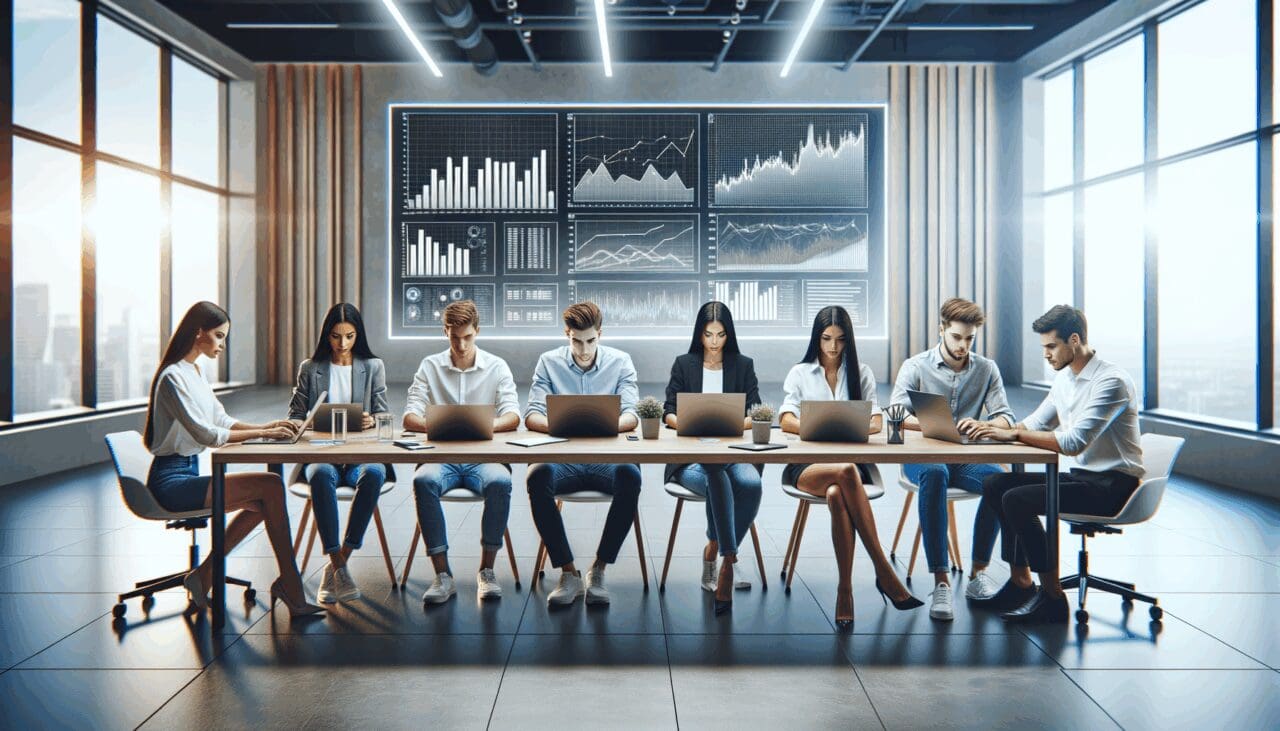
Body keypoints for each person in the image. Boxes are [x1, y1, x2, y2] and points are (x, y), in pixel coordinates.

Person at [144, 301, 323, 617]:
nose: (222, 345)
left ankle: (203, 576)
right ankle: (290, 587)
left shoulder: (194, 372)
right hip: (170, 482)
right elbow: (207, 435)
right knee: (269, 486)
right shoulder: (173, 377)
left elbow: (222, 420)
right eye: (219, 336)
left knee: (266, 499)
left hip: (187, 471)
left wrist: (269, 428)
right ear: (199, 332)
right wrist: (260, 434)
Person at [969, 305, 1144, 624]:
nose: (1046, 355)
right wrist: (989, 428)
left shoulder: (1111, 381)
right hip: (1082, 478)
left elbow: (1073, 441)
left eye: (1051, 346)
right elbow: (1034, 423)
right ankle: (1021, 583)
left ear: (1074, 340)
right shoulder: (1065, 380)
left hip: (1115, 487)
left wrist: (1013, 435)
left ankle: (1052, 598)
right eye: (1044, 348)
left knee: (1016, 499)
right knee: (996, 484)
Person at [780, 305, 922, 627]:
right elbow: (786, 420)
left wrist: (843, 426)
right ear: (817, 338)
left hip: (849, 472)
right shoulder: (800, 372)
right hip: (807, 468)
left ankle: (845, 590)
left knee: (836, 493)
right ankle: (883, 571)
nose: (832, 347)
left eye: (840, 340)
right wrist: (827, 427)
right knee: (843, 471)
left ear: (849, 341)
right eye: (826, 338)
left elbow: (876, 422)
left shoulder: (862, 373)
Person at [888, 297, 1015, 621]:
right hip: (924, 455)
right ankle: (941, 582)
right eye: (957, 337)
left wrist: (986, 425)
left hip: (966, 456)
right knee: (934, 474)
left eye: (970, 338)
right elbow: (895, 415)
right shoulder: (915, 366)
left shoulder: (986, 369)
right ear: (942, 329)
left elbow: (1005, 418)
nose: (963, 345)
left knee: (1001, 481)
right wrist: (932, 424)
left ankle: (977, 574)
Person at [524, 301, 641, 608]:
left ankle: (599, 570)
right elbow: (532, 415)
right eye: (577, 341)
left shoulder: (621, 361)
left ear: (599, 334)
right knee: (537, 475)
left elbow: (632, 416)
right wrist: (562, 427)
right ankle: (568, 572)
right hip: (564, 458)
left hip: (607, 459)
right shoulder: (548, 362)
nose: (584, 349)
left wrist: (600, 426)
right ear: (568, 334)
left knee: (631, 474)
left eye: (590, 340)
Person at [404, 300, 520, 605]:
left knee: (501, 483)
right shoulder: (430, 366)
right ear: (446, 332)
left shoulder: (496, 366)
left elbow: (513, 415)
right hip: (440, 458)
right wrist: (442, 426)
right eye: (455, 337)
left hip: (484, 459)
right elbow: (409, 416)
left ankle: (487, 570)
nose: (461, 344)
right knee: (422, 481)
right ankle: (442, 575)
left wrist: (482, 425)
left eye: (467, 337)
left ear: (477, 331)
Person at [287, 303, 391, 605]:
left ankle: (337, 563)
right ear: (326, 336)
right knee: (319, 475)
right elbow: (295, 416)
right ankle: (337, 561)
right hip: (324, 453)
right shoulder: (310, 368)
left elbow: (384, 414)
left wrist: (372, 420)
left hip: (361, 454)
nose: (342, 344)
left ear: (358, 335)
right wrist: (324, 421)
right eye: (335, 337)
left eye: (349, 336)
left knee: (374, 473)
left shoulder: (373, 367)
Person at [663, 301, 763, 615]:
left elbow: (756, 411)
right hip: (692, 461)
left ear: (729, 335)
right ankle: (729, 562)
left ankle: (714, 550)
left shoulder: (742, 364)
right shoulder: (684, 363)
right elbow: (668, 412)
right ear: (700, 334)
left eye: (721, 334)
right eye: (709, 334)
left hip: (732, 454)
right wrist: (689, 423)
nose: (715, 342)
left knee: (751, 485)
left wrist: (733, 423)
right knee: (718, 478)